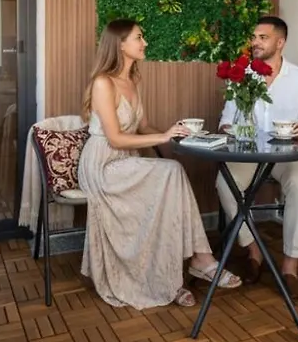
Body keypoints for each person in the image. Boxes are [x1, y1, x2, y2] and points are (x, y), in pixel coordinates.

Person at [78, 19, 242, 309]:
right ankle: (200, 261)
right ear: (120, 44)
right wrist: (164, 136)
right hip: (103, 165)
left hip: (127, 162)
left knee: (170, 182)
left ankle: (173, 275)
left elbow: (143, 127)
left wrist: (180, 135)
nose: (145, 43)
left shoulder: (133, 81)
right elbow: (115, 138)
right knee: (172, 172)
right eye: (139, 37)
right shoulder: (103, 82)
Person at [216, 16, 298, 300]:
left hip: (288, 154)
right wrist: (231, 129)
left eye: (262, 37)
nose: (255, 42)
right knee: (224, 183)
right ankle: (254, 250)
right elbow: (225, 122)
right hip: (248, 154)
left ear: (280, 42)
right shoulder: (240, 76)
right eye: (253, 37)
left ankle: (290, 266)